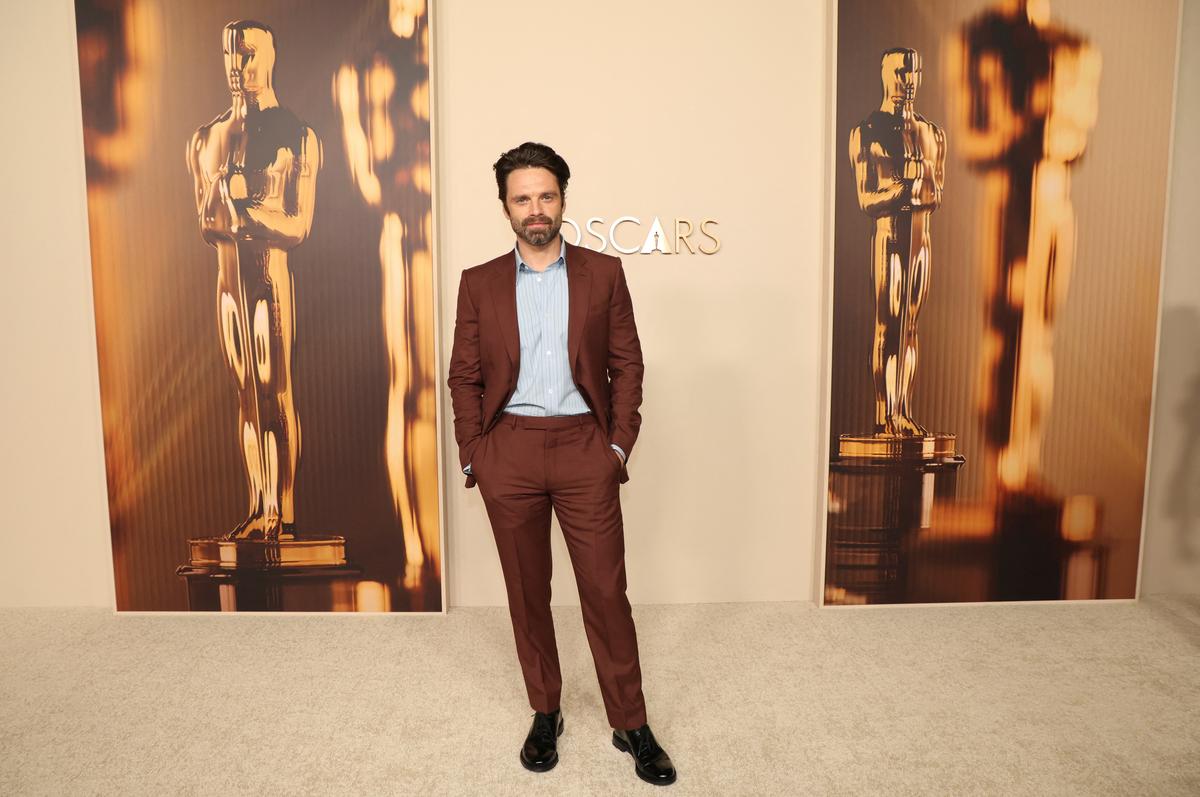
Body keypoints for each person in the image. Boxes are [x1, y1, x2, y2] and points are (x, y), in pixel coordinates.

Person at [447, 142, 676, 786]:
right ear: (505, 208)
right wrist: (476, 453)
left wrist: (616, 446)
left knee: (605, 591)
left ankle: (631, 722)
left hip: (584, 449)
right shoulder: (479, 282)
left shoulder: (603, 274)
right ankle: (545, 712)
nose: (535, 209)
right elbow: (463, 376)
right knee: (528, 594)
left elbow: (627, 365)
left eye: (546, 196)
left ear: (563, 201)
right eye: (522, 198)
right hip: (509, 450)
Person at [187, 20, 321, 539]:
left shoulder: (296, 133)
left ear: (269, 56)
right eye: (230, 54)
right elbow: (205, 221)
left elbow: (298, 225)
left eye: (246, 54)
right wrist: (232, 211)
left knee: (272, 388)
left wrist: (242, 211)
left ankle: (279, 511)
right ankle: (257, 504)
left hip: (268, 277)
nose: (236, 66)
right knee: (246, 391)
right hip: (227, 283)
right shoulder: (206, 138)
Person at [848, 47, 945, 439]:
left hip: (922, 238)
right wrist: (907, 187)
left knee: (911, 327)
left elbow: (937, 193)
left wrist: (912, 188)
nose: (908, 80)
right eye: (900, 71)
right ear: (885, 73)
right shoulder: (869, 129)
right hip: (889, 236)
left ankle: (903, 409)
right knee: (889, 323)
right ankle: (887, 414)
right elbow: (867, 198)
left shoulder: (931, 131)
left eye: (914, 72)